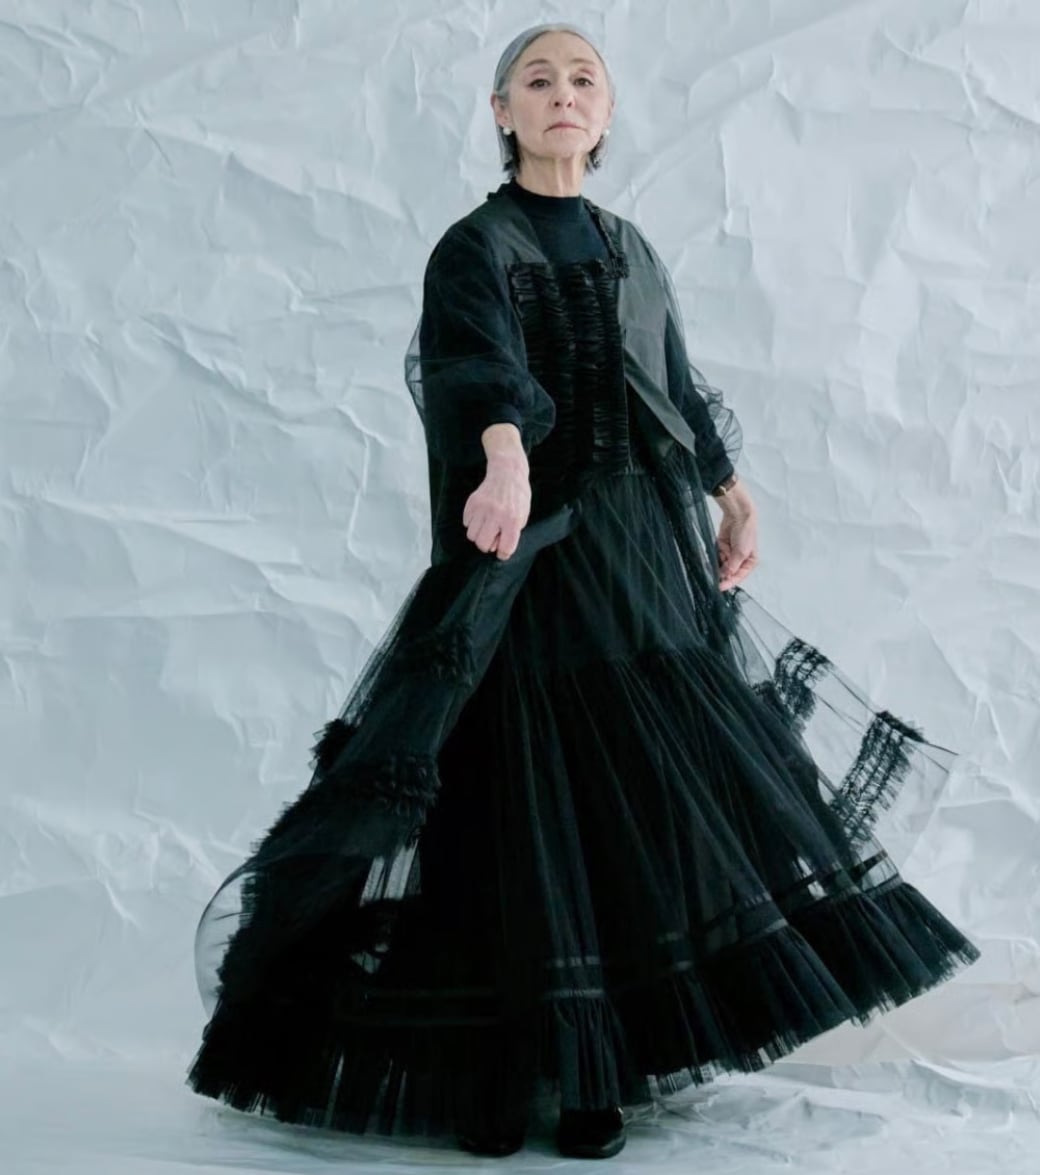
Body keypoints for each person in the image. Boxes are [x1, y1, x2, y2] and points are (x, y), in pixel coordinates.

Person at [185, 22, 981, 1163]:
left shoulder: (630, 246)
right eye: (537, 79)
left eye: (582, 79)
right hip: (525, 550)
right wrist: (505, 456)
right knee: (507, 794)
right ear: (501, 111)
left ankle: (600, 1066)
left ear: (604, 114)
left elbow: (673, 384)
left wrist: (732, 493)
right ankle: (496, 1062)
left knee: (626, 799)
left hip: (637, 550)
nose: (562, 93)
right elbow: (473, 367)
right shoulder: (474, 245)